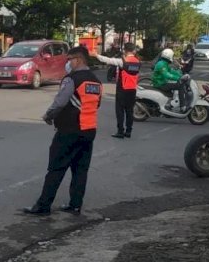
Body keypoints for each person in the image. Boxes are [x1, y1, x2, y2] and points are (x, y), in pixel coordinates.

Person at [23, 47, 102, 216]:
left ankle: (43, 205)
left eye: (69, 59)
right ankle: (75, 205)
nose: (67, 63)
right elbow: (97, 104)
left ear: (78, 60)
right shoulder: (96, 81)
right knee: (80, 170)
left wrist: (48, 115)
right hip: (88, 131)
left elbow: (60, 103)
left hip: (69, 131)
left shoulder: (72, 79)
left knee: (56, 168)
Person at [90, 43, 140, 139]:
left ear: (125, 50)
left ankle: (120, 131)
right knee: (129, 111)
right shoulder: (137, 61)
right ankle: (128, 131)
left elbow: (108, 60)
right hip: (132, 89)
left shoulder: (122, 61)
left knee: (120, 111)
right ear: (134, 51)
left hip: (122, 89)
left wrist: (96, 55)